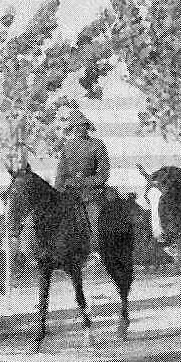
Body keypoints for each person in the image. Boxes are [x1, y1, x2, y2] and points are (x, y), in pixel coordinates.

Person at [53, 108, 110, 263]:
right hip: (69, 193)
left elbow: (104, 173)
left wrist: (85, 182)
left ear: (87, 127)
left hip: (90, 193)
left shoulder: (97, 145)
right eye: (75, 126)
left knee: (95, 218)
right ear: (72, 129)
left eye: (82, 125)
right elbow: (61, 173)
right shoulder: (67, 147)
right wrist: (56, 193)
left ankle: (96, 252)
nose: (79, 129)